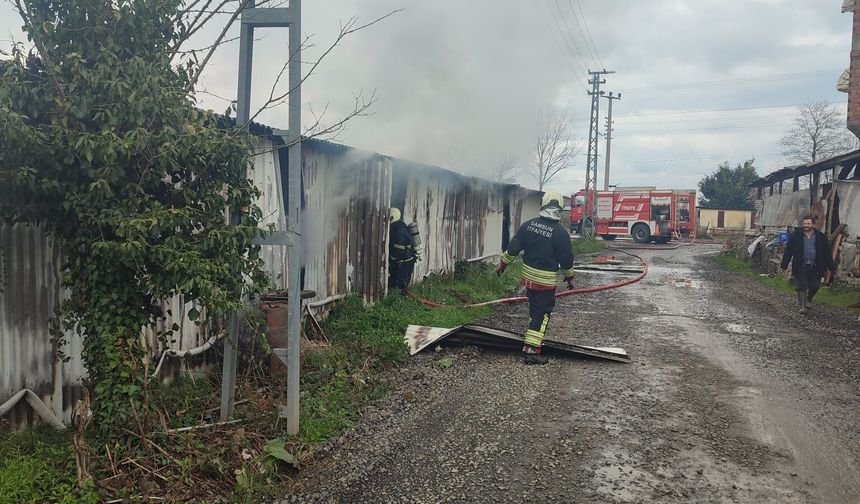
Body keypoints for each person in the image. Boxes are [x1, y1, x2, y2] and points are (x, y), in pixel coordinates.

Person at [496, 191, 576, 364]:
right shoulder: (560, 233)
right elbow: (566, 260)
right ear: (560, 208)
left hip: (528, 279)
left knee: (535, 309)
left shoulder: (528, 225)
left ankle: (531, 340)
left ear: (543, 204)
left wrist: (503, 263)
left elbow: (514, 247)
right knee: (542, 313)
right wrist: (570, 278)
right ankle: (531, 351)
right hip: (545, 282)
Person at [780, 216, 836, 314]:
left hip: (815, 266)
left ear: (813, 224)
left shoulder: (821, 237)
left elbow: (827, 252)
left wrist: (831, 266)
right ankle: (802, 306)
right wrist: (784, 265)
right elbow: (788, 251)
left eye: (808, 224)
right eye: (805, 224)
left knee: (815, 286)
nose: (806, 226)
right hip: (800, 265)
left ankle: (809, 298)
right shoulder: (795, 236)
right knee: (801, 286)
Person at [388, 208, 417, 295]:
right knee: (399, 281)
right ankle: (398, 298)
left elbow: (398, 249)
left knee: (399, 283)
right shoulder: (399, 226)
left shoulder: (399, 230)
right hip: (406, 260)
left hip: (405, 261)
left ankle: (398, 302)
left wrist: (391, 260)